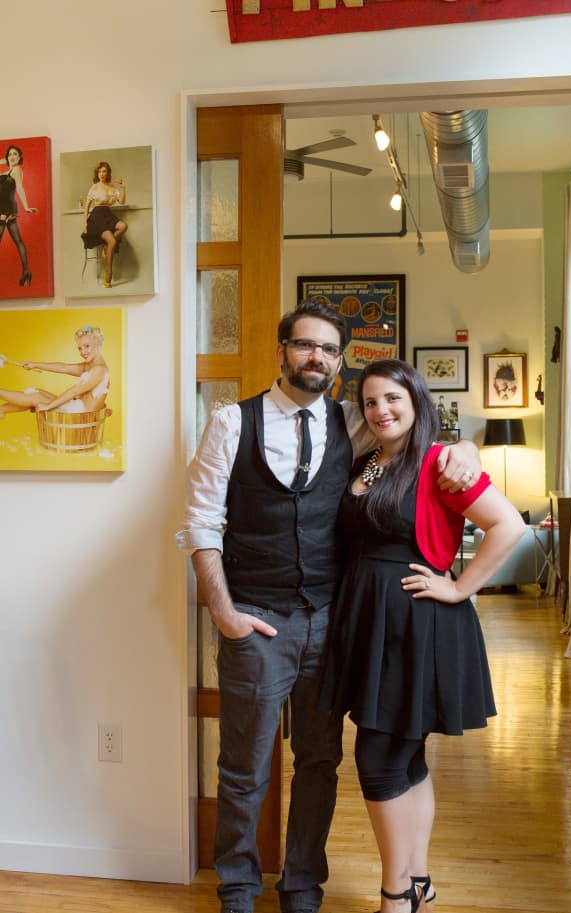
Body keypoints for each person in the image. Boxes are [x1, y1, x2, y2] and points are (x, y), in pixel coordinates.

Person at [176, 301, 482, 913]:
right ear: (282, 349)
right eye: (304, 345)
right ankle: (237, 889)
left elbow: (412, 431)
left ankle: (301, 887)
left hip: (332, 623)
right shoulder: (232, 424)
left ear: (339, 363)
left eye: (328, 350)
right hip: (256, 620)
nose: (316, 357)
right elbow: (201, 524)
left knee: (319, 761)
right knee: (244, 767)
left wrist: (466, 446)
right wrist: (223, 613)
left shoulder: (353, 421)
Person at [318, 358, 525, 913]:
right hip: (371, 623)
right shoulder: (366, 463)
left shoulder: (439, 463)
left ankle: (395, 895)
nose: (380, 410)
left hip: (415, 622)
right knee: (406, 761)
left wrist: (460, 588)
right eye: (370, 402)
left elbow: (508, 525)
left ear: (416, 403)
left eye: (393, 400)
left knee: (379, 759)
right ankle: (418, 882)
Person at [0, 326, 109, 419]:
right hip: (75, 408)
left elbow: (74, 392)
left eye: (87, 346)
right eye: (80, 348)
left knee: (36, 398)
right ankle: (1, 410)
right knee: (36, 392)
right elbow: (63, 368)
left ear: (97, 344)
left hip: (79, 416)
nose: (83, 352)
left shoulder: (99, 370)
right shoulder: (90, 366)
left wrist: (48, 406)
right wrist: (35, 364)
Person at [81, 161, 127, 289]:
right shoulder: (95, 187)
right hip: (97, 217)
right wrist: (85, 223)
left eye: (104, 171)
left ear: (108, 173)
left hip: (108, 215)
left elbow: (122, 202)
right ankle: (108, 272)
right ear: (97, 173)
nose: (102, 174)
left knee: (123, 226)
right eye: (100, 171)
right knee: (112, 240)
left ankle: (106, 248)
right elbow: (87, 206)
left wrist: (123, 188)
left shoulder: (112, 187)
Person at [0, 144, 37, 287]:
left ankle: (26, 272)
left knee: (18, 242)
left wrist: (26, 206)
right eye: (10, 154)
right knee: (19, 241)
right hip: (3, 209)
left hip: (7, 210)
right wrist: (7, 159)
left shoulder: (16, 170)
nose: (12, 157)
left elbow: (20, 188)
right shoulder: (9, 169)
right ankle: (27, 272)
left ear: (20, 157)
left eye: (15, 154)